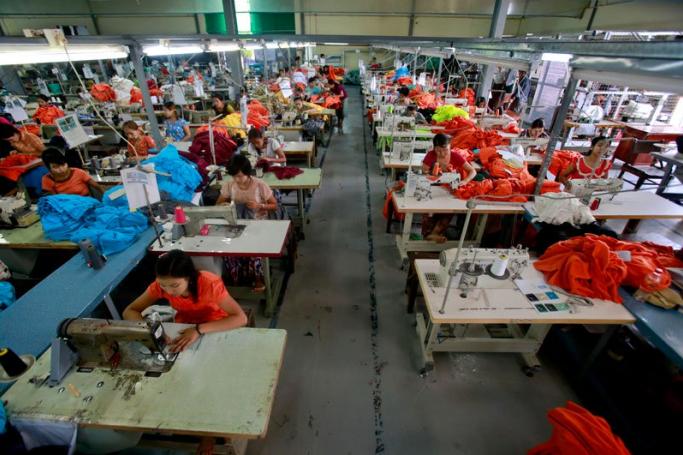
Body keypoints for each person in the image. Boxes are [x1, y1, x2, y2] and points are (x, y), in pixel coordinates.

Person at [123, 249, 248, 455]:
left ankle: (207, 433)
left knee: (210, 379)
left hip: (215, 326)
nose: (168, 291)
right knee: (177, 376)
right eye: (163, 284)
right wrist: (152, 330)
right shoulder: (160, 286)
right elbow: (130, 310)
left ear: (189, 278)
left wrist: (198, 330)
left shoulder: (210, 283)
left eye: (174, 285)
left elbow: (239, 318)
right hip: (182, 329)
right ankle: (178, 416)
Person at [216, 154, 278, 292]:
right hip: (237, 223)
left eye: (240, 176)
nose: (237, 179)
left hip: (258, 223)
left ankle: (258, 278)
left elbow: (274, 205)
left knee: (253, 250)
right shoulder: (229, 185)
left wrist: (259, 206)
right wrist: (225, 205)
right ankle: (237, 277)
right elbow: (218, 203)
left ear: (247, 172)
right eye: (234, 176)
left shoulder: (260, 185)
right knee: (227, 249)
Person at [421, 133, 477, 243]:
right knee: (429, 211)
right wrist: (432, 172)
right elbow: (424, 171)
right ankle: (429, 234)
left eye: (445, 150)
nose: (441, 153)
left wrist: (465, 181)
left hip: (449, 191)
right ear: (434, 148)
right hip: (432, 189)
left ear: (450, 146)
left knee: (448, 212)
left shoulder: (455, 156)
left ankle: (434, 234)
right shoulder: (431, 155)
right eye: (438, 150)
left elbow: (472, 171)